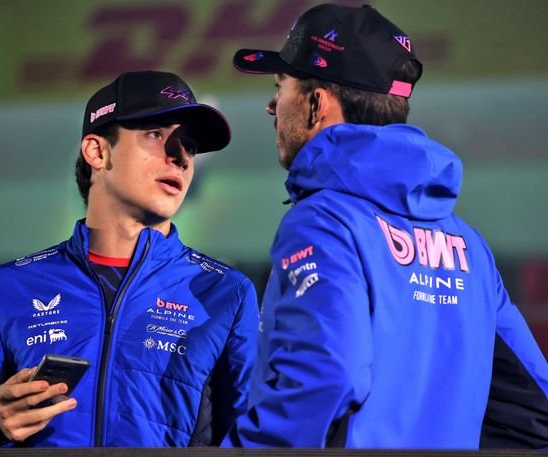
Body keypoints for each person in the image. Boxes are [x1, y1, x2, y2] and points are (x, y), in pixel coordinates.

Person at [222, 3, 548, 449]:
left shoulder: (324, 222)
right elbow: (534, 405)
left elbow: (325, 377)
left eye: (281, 87)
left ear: (316, 104)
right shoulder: (468, 244)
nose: (271, 105)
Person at [0, 71, 258, 447]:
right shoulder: (11, 285)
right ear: (97, 152)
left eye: (189, 145)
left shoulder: (226, 292)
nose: (181, 157)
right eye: (156, 135)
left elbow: (254, 441)